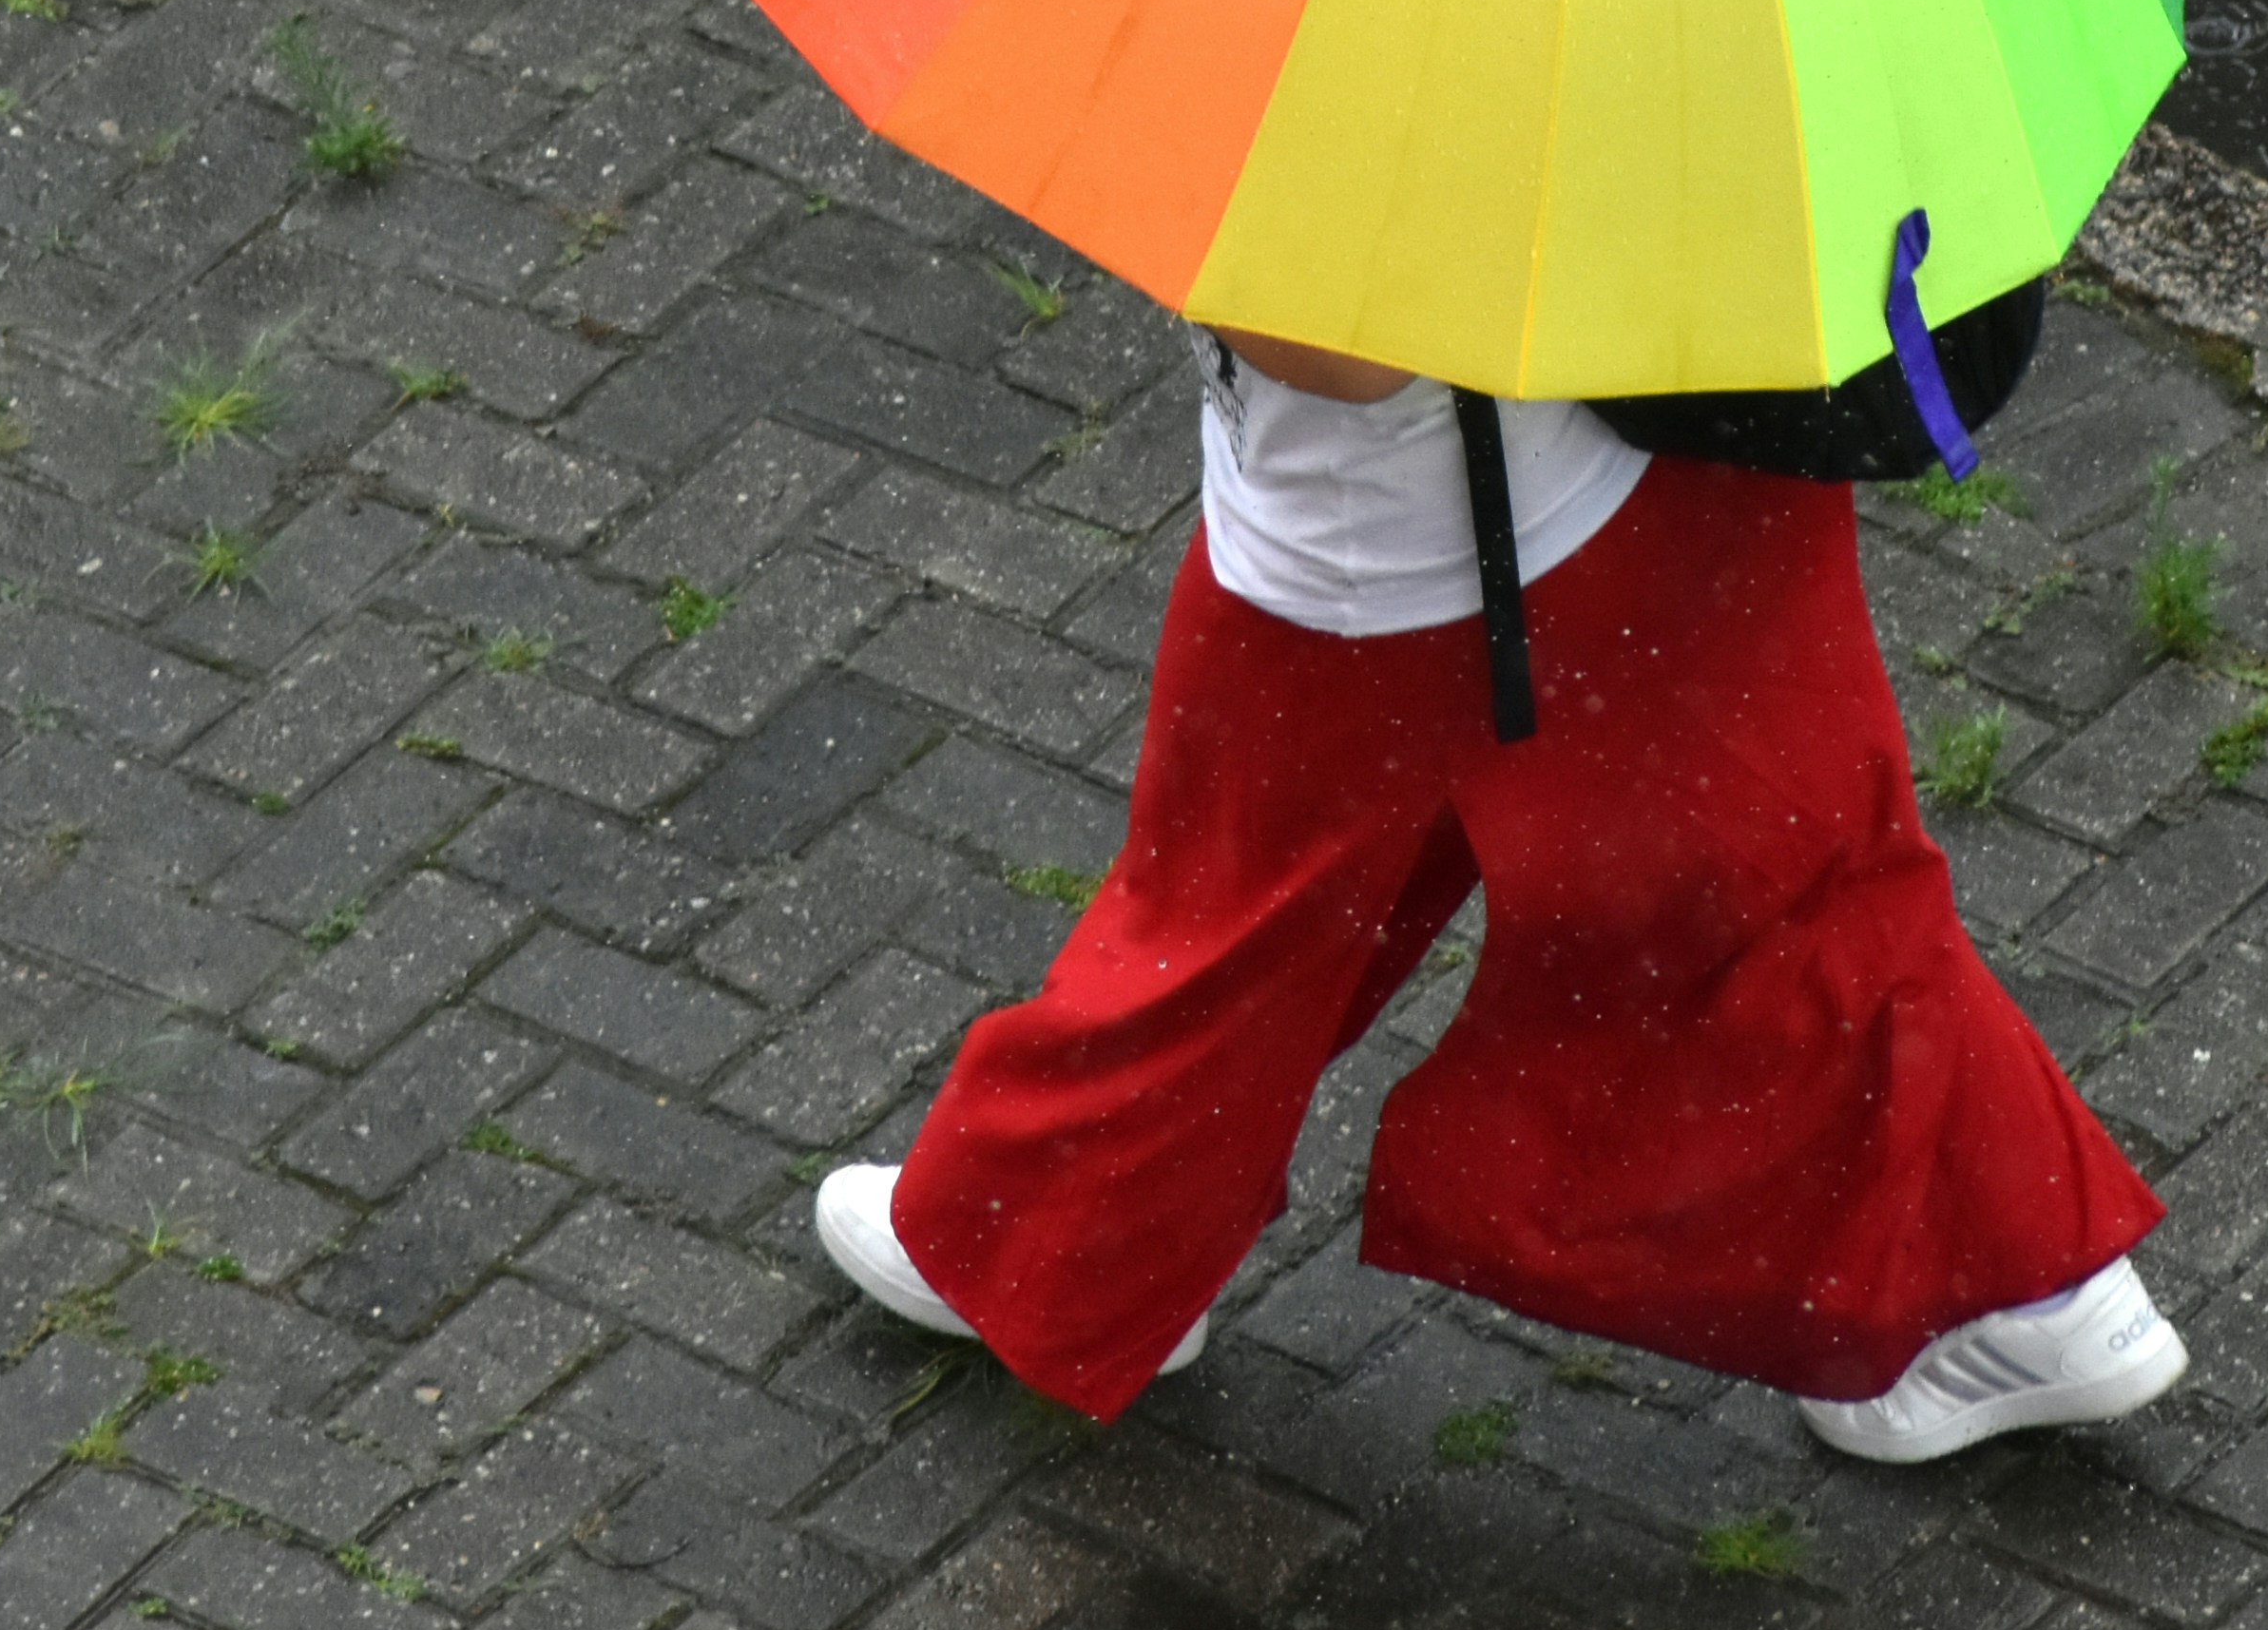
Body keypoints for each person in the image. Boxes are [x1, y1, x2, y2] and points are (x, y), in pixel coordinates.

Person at [810, 313, 2182, 1459]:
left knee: (1233, 908)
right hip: (1696, 418)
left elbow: (1339, 347)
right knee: (1795, 878)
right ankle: (2031, 1287)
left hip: (1404, 545)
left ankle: (1063, 1242)